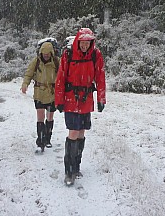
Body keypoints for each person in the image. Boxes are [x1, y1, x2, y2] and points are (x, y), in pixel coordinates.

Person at [55, 28, 106, 186]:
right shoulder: (68, 54)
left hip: (86, 98)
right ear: (78, 41)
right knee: (73, 132)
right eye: (82, 42)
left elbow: (100, 76)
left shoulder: (95, 54)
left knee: (82, 132)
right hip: (71, 98)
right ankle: (69, 171)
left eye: (87, 43)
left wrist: (101, 99)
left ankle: (76, 166)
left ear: (91, 42)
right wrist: (59, 99)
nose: (85, 46)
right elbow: (61, 76)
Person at [21, 41, 59, 152]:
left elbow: (64, 75)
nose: (46, 55)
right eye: (44, 53)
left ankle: (48, 139)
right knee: (40, 117)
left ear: (51, 53)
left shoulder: (57, 62)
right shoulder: (36, 62)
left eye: (48, 53)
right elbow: (28, 73)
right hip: (39, 93)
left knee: (50, 117)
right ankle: (40, 141)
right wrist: (25, 84)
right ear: (41, 52)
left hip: (52, 93)